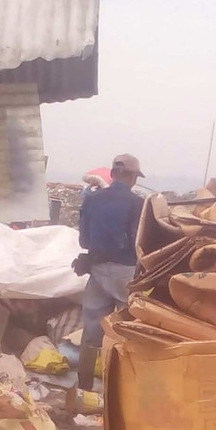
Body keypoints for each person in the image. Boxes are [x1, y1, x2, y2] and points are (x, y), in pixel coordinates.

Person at [75, 154, 145, 390]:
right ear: (133, 177)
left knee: (92, 330)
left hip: (96, 270)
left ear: (113, 174)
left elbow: (84, 239)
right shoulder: (138, 204)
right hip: (125, 272)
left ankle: (84, 388)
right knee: (128, 331)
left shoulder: (92, 200)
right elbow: (140, 242)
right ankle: (127, 389)